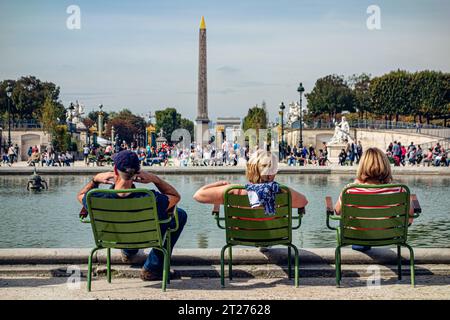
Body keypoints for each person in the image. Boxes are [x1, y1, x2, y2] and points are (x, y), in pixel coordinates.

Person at [77, 150, 187, 281]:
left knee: (126, 226)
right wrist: (155, 180)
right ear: (137, 172)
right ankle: (153, 268)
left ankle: (128, 252)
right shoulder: (150, 198)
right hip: (144, 237)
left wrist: (95, 180)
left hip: (114, 238)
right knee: (179, 215)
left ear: (115, 171)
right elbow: (176, 196)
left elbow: (80, 195)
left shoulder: (96, 197)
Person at [333, 147, 416, 252]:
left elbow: (336, 211)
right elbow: (411, 215)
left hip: (359, 237)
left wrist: (355, 183)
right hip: (389, 236)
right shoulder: (400, 190)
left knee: (359, 233)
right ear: (385, 166)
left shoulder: (350, 190)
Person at [193, 149, 308, 212]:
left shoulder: (235, 191)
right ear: (273, 172)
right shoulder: (283, 191)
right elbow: (304, 201)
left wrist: (220, 183)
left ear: (250, 169)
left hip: (242, 235)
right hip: (276, 235)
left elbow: (198, 195)